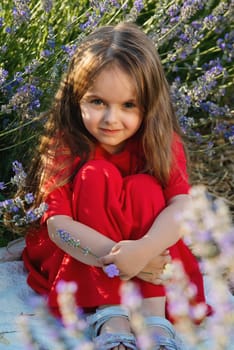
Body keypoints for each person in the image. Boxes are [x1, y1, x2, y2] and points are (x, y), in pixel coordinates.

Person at [21, 22, 210, 350]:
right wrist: (115, 258)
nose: (111, 119)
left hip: (151, 254)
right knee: (95, 174)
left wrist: (144, 251)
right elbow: (58, 227)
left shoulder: (161, 143)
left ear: (149, 104)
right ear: (76, 96)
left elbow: (182, 207)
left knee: (146, 188)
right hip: (86, 251)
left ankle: (154, 314)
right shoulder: (65, 145)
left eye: (128, 105)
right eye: (97, 102)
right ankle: (111, 312)